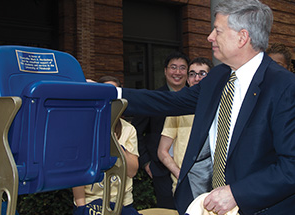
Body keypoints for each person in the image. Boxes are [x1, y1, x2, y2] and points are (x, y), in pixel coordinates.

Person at [119, 0, 295, 214]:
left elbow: (291, 166)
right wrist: (111, 94)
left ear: (242, 37)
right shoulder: (218, 77)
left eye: (217, 31)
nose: (210, 36)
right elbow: (169, 101)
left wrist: (236, 193)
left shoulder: (284, 87)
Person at [72, 76, 140, 215]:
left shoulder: (128, 130)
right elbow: (76, 172)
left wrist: (116, 145)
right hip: (91, 202)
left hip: (122, 203)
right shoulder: (83, 128)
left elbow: (132, 171)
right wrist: (81, 207)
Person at [131, 51, 189, 209]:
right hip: (160, 169)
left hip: (191, 168)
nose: (177, 72)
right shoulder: (154, 98)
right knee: (168, 210)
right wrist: (146, 162)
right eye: (173, 67)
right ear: (165, 71)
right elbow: (135, 130)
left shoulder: (195, 98)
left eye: (182, 68)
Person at [157, 57, 213, 196]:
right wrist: (180, 174)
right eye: (192, 74)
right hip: (185, 185)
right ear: (188, 80)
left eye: (202, 74)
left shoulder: (221, 107)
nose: (197, 78)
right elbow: (162, 151)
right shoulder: (178, 109)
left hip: (216, 186)